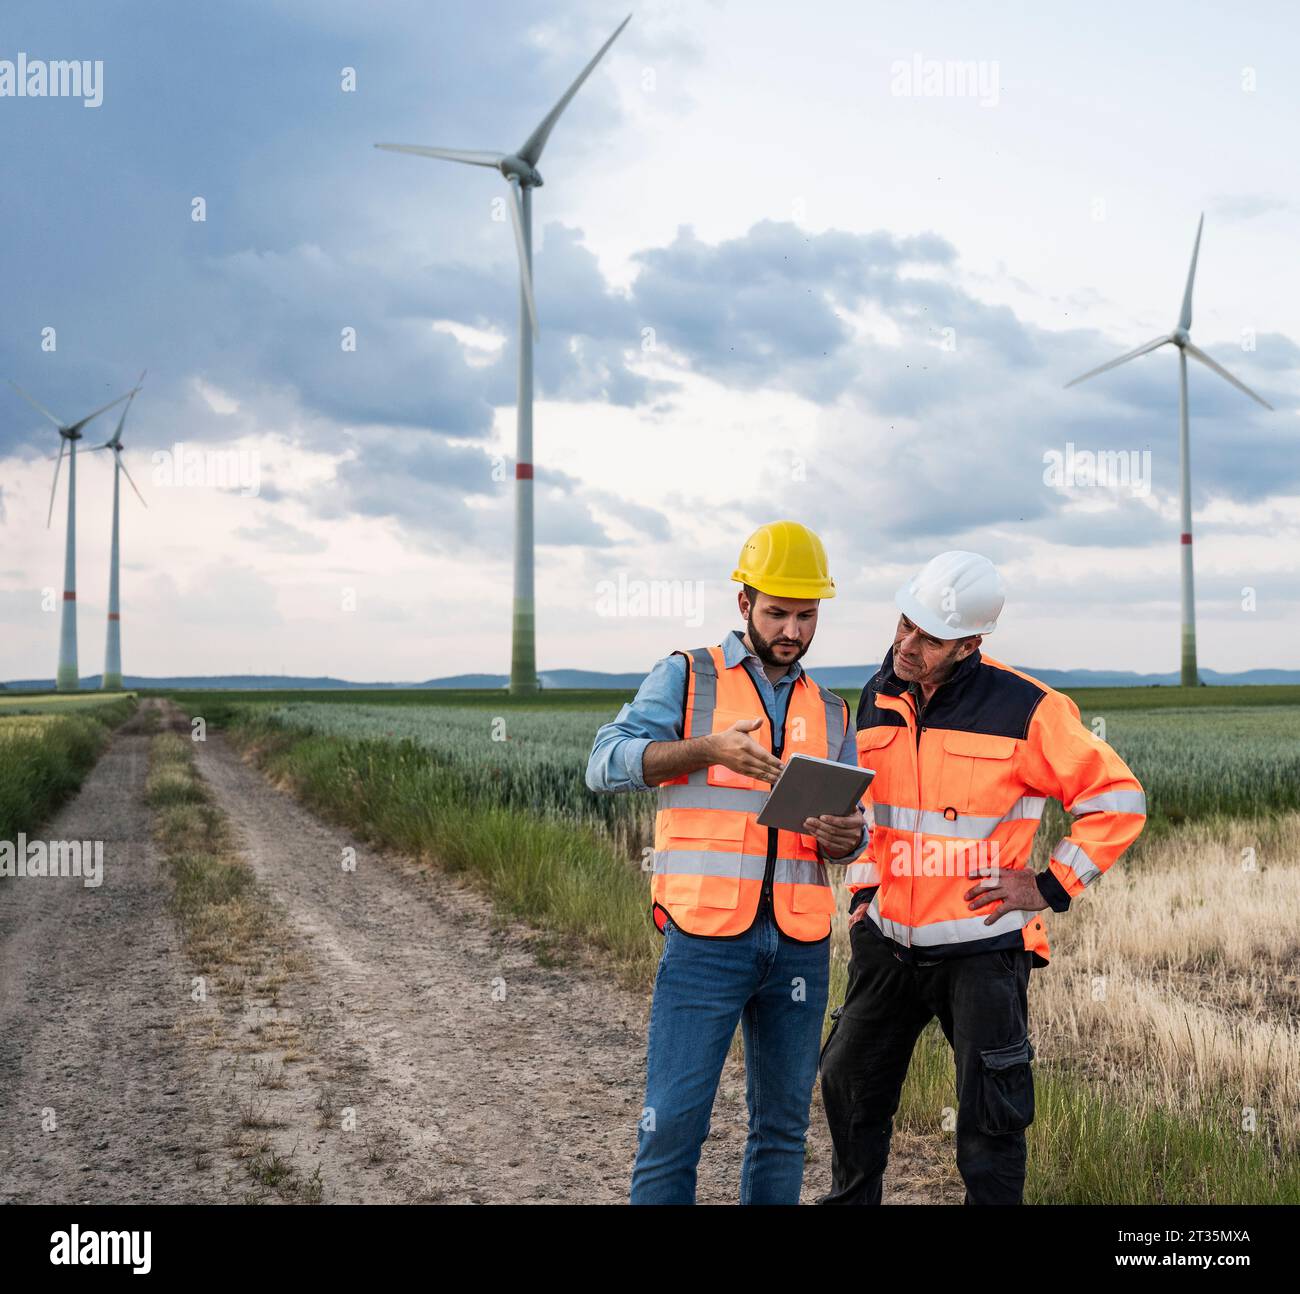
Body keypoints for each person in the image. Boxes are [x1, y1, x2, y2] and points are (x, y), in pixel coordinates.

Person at [818, 550, 1147, 1205]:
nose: (907, 646)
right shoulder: (879, 693)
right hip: (886, 941)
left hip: (983, 949)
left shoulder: (1030, 708)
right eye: (904, 625)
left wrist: (1048, 886)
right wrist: (862, 892)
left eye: (929, 639)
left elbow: (1118, 800)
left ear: (970, 643)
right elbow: (872, 810)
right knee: (849, 1089)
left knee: (990, 1127)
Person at [586, 520, 867, 1204]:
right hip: (706, 940)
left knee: (782, 1131)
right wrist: (703, 750)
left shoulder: (830, 709)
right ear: (744, 604)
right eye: (777, 612)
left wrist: (844, 837)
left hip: (799, 944)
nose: (792, 630)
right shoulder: (687, 676)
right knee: (673, 1126)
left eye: (806, 616)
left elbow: (856, 834)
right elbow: (604, 763)